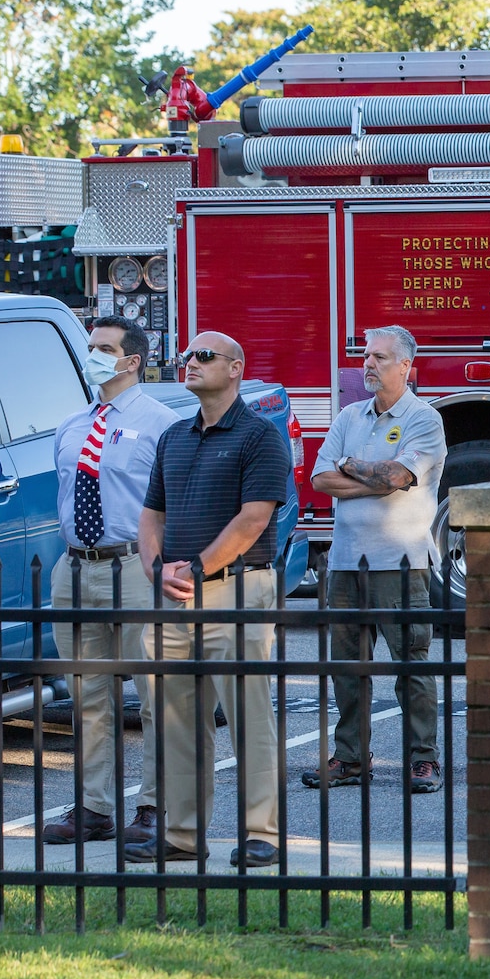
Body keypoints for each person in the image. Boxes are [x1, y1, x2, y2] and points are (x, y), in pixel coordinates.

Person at [129, 332, 291, 869]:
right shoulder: (174, 437)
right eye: (186, 357)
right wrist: (156, 570)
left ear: (237, 369)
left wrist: (197, 567)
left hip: (237, 591)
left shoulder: (260, 436)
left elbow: (254, 518)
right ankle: (181, 834)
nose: (190, 363)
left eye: (203, 356)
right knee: (174, 719)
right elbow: (152, 516)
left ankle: (260, 832)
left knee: (248, 716)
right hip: (174, 597)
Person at [42, 317, 179, 846]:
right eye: (90, 346)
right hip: (75, 567)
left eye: (104, 348)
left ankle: (154, 806)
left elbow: (172, 503)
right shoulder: (72, 425)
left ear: (132, 360)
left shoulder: (161, 424)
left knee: (152, 695)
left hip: (134, 568)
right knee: (88, 697)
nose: (92, 354)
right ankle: (94, 807)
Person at [300, 325, 448, 795]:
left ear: (406, 366)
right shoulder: (349, 416)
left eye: (380, 357)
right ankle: (349, 758)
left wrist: (351, 467)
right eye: (366, 356)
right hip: (345, 561)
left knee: (411, 665)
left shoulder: (424, 419)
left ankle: (423, 759)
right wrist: (371, 478)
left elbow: (398, 476)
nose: (369, 364)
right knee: (348, 668)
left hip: (399, 563)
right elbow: (320, 480)